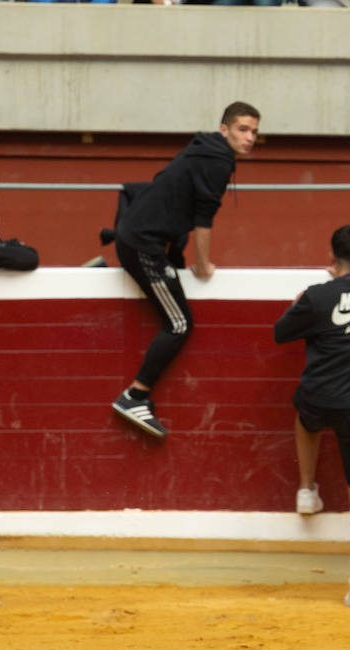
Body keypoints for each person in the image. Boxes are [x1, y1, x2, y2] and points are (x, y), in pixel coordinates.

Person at [105, 101, 261, 439]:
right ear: (224, 130)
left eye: (254, 132)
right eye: (243, 129)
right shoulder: (219, 161)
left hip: (140, 238)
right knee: (179, 324)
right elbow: (203, 220)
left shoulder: (205, 149)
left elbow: (169, 189)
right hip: (142, 245)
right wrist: (203, 265)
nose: (250, 138)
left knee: (177, 317)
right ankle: (135, 396)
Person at [274, 225, 350, 608]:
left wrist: (302, 303)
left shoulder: (317, 296)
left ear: (331, 256)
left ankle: (306, 490)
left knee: (305, 418)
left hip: (319, 398)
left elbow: (281, 333)